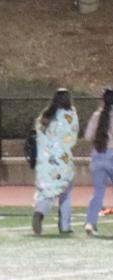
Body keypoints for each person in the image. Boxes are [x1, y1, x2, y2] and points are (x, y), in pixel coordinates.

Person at [30, 89, 79, 237]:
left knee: (47, 191)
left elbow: (37, 135)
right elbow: (72, 137)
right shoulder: (70, 115)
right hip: (62, 159)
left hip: (44, 161)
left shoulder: (45, 115)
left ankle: (40, 211)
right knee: (65, 191)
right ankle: (64, 225)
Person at [85, 88, 113, 237]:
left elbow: (88, 135)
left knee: (98, 193)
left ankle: (91, 222)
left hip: (97, 155)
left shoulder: (97, 115)